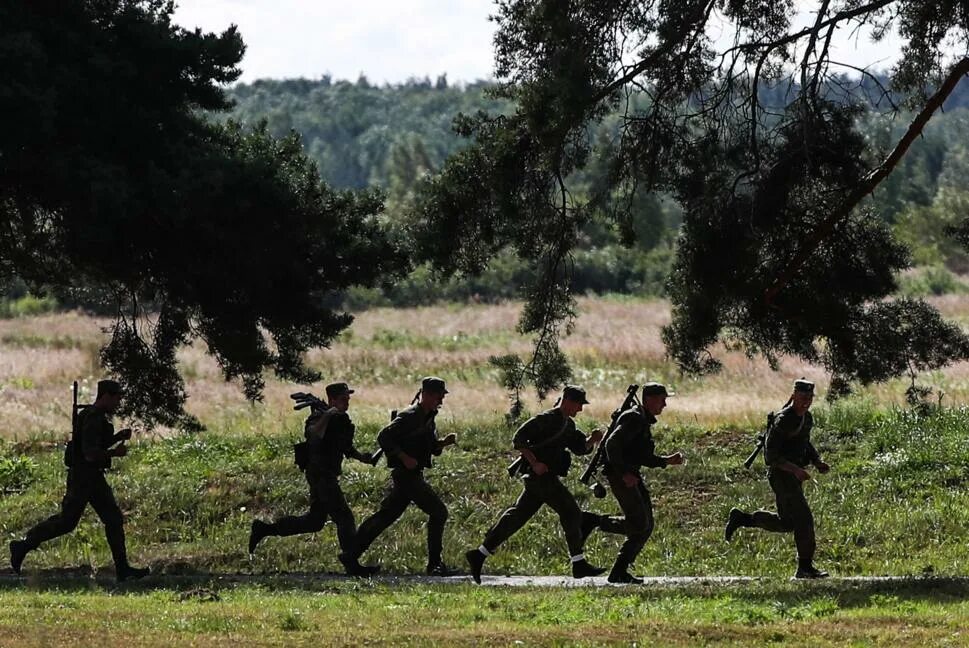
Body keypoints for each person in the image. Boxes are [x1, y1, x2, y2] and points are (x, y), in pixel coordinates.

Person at [9, 380, 149, 581]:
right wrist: (114, 453)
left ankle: (123, 569)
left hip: (92, 477)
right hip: (84, 477)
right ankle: (23, 545)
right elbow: (90, 453)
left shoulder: (95, 416)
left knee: (113, 519)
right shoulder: (92, 417)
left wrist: (116, 436)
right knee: (67, 522)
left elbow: (92, 444)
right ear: (106, 396)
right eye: (116, 398)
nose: (118, 403)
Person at [465, 385, 606, 583]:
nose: (580, 409)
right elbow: (519, 439)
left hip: (544, 479)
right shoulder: (546, 419)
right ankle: (578, 563)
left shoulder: (569, 425)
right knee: (571, 512)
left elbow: (580, 448)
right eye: (578, 404)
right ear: (567, 401)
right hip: (540, 477)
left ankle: (479, 554)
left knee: (516, 517)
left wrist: (593, 439)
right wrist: (535, 462)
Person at [248, 382, 378, 576]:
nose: (347, 402)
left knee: (314, 521)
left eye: (347, 398)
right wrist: (327, 414)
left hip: (327, 473)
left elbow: (345, 447)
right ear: (332, 400)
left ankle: (266, 529)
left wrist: (363, 457)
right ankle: (352, 563)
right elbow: (314, 435)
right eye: (343, 399)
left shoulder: (341, 420)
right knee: (344, 517)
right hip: (320, 474)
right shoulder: (318, 417)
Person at [347, 377, 458, 576]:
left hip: (411, 475)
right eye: (437, 396)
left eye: (441, 396)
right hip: (406, 476)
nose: (441, 400)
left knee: (385, 516)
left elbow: (431, 447)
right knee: (439, 512)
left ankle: (350, 554)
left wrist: (443, 443)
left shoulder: (428, 416)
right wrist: (403, 457)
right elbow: (383, 436)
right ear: (426, 395)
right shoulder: (410, 416)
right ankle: (434, 564)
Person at [724, 379, 831, 579]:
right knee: (804, 520)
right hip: (782, 476)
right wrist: (794, 470)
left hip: (793, 476)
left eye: (809, 397)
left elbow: (805, 444)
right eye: (802, 397)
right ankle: (805, 568)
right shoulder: (783, 420)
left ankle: (743, 519)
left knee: (787, 523)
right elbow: (770, 457)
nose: (805, 401)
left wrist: (817, 461)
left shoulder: (806, 418)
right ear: (793, 396)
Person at [593, 382, 685, 584]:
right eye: (662, 399)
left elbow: (641, 455)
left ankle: (619, 572)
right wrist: (624, 473)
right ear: (650, 400)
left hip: (630, 474)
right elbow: (611, 445)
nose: (665, 405)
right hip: (620, 475)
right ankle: (592, 522)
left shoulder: (641, 419)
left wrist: (666, 461)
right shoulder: (634, 418)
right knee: (639, 523)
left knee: (646, 525)